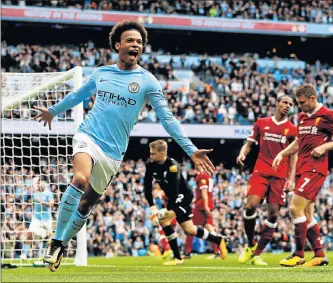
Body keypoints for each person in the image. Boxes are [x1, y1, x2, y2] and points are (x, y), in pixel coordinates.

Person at [33, 20, 215, 272]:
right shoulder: (101, 73)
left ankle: (62, 244)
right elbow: (77, 96)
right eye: (130, 40)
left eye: (139, 42)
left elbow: (167, 118)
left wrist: (190, 149)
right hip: (88, 136)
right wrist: (53, 112)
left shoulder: (148, 81)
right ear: (118, 45)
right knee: (79, 179)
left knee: (86, 205)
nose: (135, 45)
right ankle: (55, 241)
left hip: (113, 153)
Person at [273, 84, 333, 267]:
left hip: (315, 169)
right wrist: (282, 153)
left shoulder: (328, 115)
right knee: (307, 214)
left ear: (312, 98)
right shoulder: (301, 117)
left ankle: (298, 254)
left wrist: (325, 146)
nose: (299, 107)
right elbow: (300, 142)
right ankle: (319, 255)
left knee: (294, 208)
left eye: (301, 103)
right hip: (302, 167)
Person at [236, 95, 298, 266]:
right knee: (250, 206)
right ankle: (249, 245)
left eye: (291, 104)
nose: (287, 106)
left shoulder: (292, 129)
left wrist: (292, 178)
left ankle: (256, 254)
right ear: (277, 103)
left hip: (280, 176)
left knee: (273, 214)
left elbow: (294, 155)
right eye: (285, 102)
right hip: (261, 171)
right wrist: (242, 154)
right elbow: (249, 143)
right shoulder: (261, 122)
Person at [144, 140, 227, 265]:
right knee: (189, 230)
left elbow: (175, 190)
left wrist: (166, 210)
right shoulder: (150, 164)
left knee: (164, 220)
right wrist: (152, 208)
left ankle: (177, 258)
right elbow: (147, 187)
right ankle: (218, 239)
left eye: (153, 154)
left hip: (183, 196)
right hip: (173, 197)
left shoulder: (173, 166)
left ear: (162, 154)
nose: (151, 156)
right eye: (150, 153)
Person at [184, 171, 220, 259]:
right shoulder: (209, 176)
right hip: (207, 204)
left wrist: (205, 206)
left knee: (189, 228)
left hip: (201, 206)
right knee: (209, 227)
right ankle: (218, 250)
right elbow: (202, 194)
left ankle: (187, 252)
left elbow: (204, 192)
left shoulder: (202, 176)